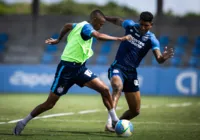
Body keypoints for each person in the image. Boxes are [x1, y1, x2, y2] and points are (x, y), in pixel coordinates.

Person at [13, 9, 132, 135]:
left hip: (80, 69)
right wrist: (119, 38)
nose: (101, 26)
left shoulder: (79, 25)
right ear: (94, 20)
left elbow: (67, 25)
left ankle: (114, 120)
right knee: (49, 104)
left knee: (105, 90)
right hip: (66, 70)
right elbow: (98, 36)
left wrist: (59, 39)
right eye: (101, 24)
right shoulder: (87, 28)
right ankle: (23, 122)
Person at [104, 11, 174, 132]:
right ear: (138, 21)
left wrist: (163, 57)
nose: (142, 27)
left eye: (146, 25)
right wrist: (104, 18)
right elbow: (117, 20)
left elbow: (159, 59)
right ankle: (110, 122)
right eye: (141, 24)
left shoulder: (152, 39)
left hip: (131, 73)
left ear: (151, 25)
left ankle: (117, 125)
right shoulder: (130, 25)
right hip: (118, 67)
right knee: (117, 86)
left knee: (135, 111)